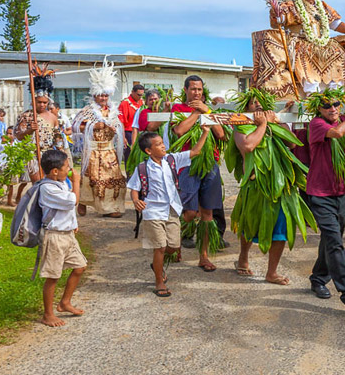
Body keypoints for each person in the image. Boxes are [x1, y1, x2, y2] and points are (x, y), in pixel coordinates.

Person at [228, 89, 315, 285]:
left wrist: (278, 120)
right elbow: (248, 146)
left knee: (281, 230)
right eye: (253, 103)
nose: (258, 105)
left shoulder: (273, 122)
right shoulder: (240, 126)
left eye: (261, 102)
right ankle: (243, 258)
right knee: (249, 225)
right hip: (255, 185)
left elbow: (292, 144)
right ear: (246, 107)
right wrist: (263, 124)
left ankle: (272, 272)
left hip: (281, 186)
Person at [128, 129, 211, 297]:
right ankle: (159, 281)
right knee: (160, 247)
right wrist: (136, 200)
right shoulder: (143, 168)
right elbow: (134, 188)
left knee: (173, 247)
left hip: (172, 209)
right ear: (148, 151)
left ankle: (156, 264)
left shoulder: (172, 160)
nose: (163, 146)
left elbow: (195, 151)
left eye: (162, 143)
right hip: (153, 211)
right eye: (158, 145)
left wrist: (205, 133)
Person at [305, 88, 345, 310]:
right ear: (318, 110)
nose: (332, 109)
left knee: (331, 241)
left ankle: (318, 278)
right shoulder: (317, 125)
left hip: (341, 191)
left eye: (336, 105)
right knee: (334, 241)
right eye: (327, 106)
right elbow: (339, 133)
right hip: (320, 193)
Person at [171, 75, 226, 271]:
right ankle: (175, 241)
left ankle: (203, 256)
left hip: (210, 163)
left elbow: (221, 134)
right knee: (188, 212)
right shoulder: (178, 109)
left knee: (207, 213)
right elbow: (179, 131)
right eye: (193, 89)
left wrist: (208, 111)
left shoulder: (209, 109)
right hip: (187, 163)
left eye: (200, 89)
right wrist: (197, 112)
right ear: (185, 90)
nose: (197, 92)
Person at [37, 150, 87, 327]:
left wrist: (73, 223)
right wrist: (77, 181)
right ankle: (48, 314)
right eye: (67, 167)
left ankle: (65, 302)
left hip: (67, 234)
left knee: (80, 266)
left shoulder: (60, 183)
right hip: (55, 236)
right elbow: (71, 201)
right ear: (54, 171)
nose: (70, 169)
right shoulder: (47, 188)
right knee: (53, 275)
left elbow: (67, 209)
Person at [72, 61, 126, 218]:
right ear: (95, 95)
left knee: (113, 178)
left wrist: (116, 130)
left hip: (109, 150)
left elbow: (118, 125)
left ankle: (109, 207)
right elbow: (75, 126)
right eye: (101, 95)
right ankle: (83, 202)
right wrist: (93, 126)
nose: (103, 98)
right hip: (93, 151)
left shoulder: (113, 111)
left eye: (106, 95)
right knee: (93, 179)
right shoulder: (88, 111)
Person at [16, 72, 68, 183]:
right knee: (38, 183)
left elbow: (58, 139)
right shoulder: (26, 116)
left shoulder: (53, 117)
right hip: (32, 155)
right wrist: (30, 130)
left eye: (45, 102)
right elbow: (19, 136)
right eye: (39, 102)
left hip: (48, 155)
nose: (42, 105)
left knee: (51, 182)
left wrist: (62, 155)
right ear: (33, 101)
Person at [119, 84, 145, 160]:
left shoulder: (141, 102)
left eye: (141, 95)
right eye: (138, 95)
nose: (140, 97)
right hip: (129, 133)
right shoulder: (125, 103)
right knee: (130, 156)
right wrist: (123, 137)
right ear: (132, 92)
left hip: (140, 132)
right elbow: (121, 121)